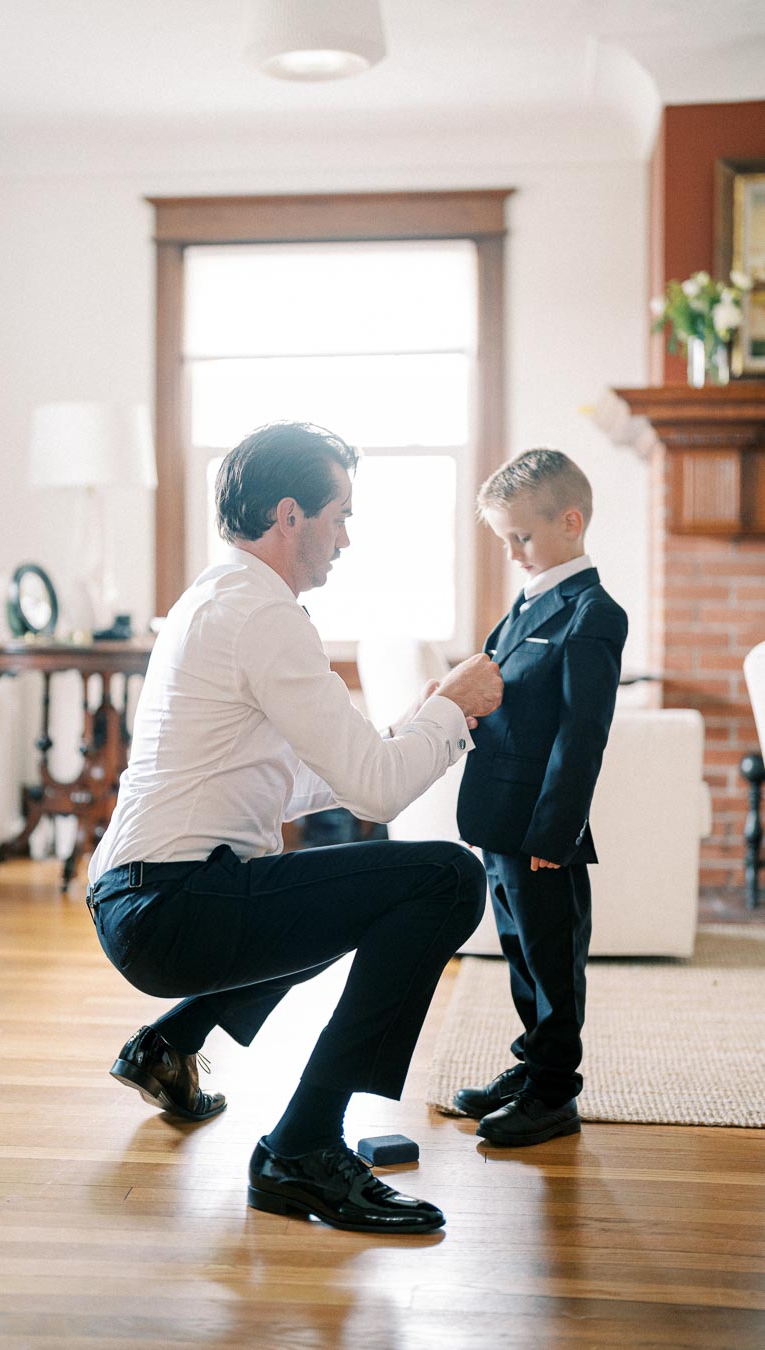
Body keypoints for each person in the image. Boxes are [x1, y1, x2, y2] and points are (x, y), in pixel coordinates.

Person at [87, 421, 502, 1235]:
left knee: (343, 893)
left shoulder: (216, 597)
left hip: (143, 896)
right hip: (173, 907)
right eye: (339, 514)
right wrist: (453, 708)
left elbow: (289, 780)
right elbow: (378, 798)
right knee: (448, 878)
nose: (346, 537)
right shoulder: (264, 617)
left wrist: (403, 732)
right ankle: (302, 1148)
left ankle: (169, 1046)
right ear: (289, 515)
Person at [453, 448, 628, 1147]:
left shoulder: (592, 613)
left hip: (540, 831)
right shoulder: (528, 604)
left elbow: (582, 736)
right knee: (520, 952)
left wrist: (553, 835)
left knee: (553, 960)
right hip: (500, 818)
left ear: (571, 521)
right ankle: (533, 1066)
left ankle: (555, 1093)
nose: (513, 552)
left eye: (521, 537)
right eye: (504, 540)